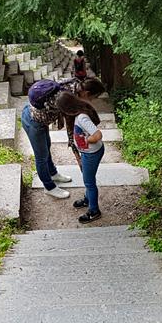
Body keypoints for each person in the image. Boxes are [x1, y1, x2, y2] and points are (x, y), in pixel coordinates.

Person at [21, 78, 106, 199]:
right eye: (94, 97)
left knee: (47, 147)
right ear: (86, 93)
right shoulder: (67, 98)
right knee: (41, 156)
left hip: (40, 119)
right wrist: (77, 152)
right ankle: (49, 187)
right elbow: (70, 128)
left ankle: (53, 173)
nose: (92, 101)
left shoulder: (75, 85)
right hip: (33, 121)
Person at [57, 93, 104, 223]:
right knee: (88, 179)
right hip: (87, 153)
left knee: (89, 182)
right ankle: (88, 199)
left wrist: (86, 139)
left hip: (92, 154)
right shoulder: (76, 116)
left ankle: (94, 211)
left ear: (67, 108)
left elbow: (98, 135)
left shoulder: (82, 118)